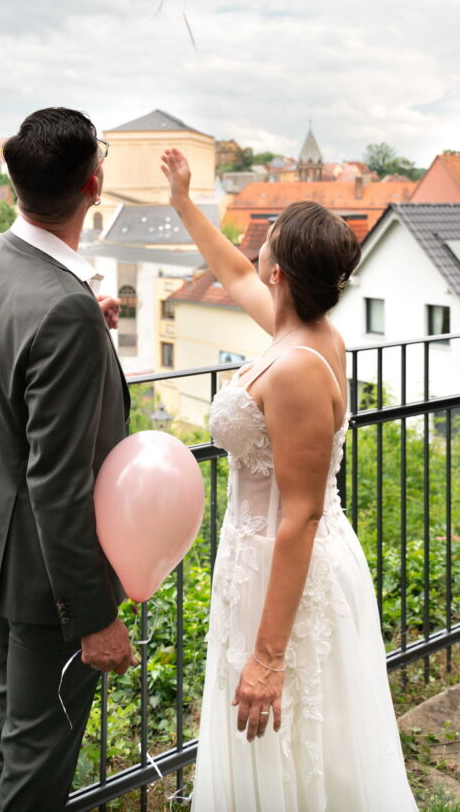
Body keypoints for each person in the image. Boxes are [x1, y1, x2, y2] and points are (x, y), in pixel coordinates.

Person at [161, 148, 419, 812]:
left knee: (297, 734)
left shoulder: (300, 366)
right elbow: (229, 267)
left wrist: (268, 656)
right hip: (255, 560)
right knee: (287, 739)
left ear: (277, 271)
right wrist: (185, 202)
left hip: (286, 568)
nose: (255, 259)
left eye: (264, 247)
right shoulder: (301, 331)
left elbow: (299, 513)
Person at [0, 108, 135, 812]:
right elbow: (57, 479)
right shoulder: (64, 309)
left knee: (11, 737)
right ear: (94, 184)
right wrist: (93, 615)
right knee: (39, 764)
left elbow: (6, 366)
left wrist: (85, 317)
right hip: (47, 581)